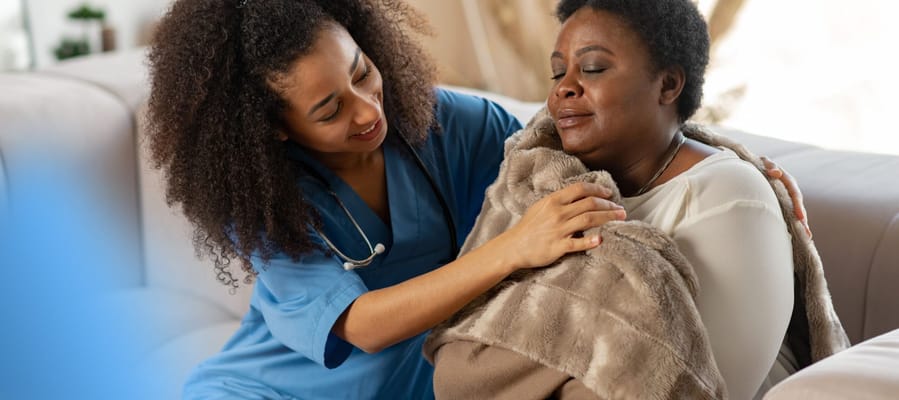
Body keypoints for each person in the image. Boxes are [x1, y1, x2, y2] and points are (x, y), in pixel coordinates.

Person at [144, 0, 807, 398]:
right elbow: (361, 325)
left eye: (361, 72)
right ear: (274, 127)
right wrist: (510, 252)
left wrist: (724, 158)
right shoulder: (263, 204)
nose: (367, 108)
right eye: (328, 109)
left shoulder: (445, 125)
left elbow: (572, 139)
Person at [543, 1, 794, 398]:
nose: (564, 87)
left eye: (592, 68)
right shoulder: (551, 184)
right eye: (559, 71)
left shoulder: (728, 197)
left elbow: (704, 386)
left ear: (668, 85)